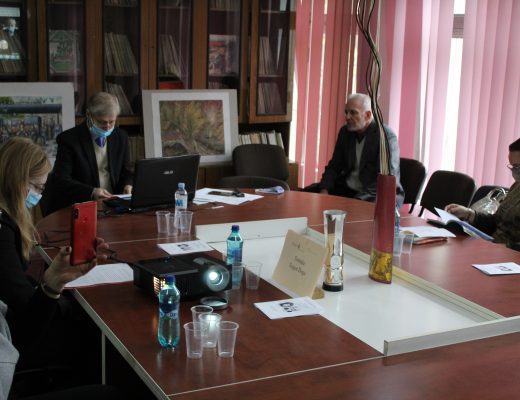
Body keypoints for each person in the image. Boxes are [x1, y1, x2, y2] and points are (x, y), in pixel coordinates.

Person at [0, 137, 109, 394]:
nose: (38, 196)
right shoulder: (2, 230)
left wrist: (50, 286)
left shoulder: (7, 221)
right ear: (18, 182)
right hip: (13, 338)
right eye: (37, 188)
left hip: (12, 328)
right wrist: (53, 289)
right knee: (89, 332)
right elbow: (24, 308)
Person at [46, 91, 133, 214]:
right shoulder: (69, 140)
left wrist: (127, 185)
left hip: (114, 205)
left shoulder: (121, 137)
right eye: (102, 122)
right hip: (83, 205)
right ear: (89, 115)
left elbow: (127, 171)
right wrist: (92, 192)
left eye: (112, 121)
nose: (108, 127)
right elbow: (61, 180)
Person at [310, 93, 404, 206]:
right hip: (348, 190)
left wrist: (356, 201)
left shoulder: (385, 137)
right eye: (346, 112)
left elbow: (385, 180)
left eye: (353, 112)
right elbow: (334, 166)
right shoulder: (345, 132)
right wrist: (324, 189)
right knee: (307, 194)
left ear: (368, 115)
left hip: (375, 195)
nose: (347, 117)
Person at [445, 138, 520, 249]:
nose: (514, 171)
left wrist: (501, 248)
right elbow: (496, 222)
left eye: (517, 166)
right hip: (494, 247)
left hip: (508, 253)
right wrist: (469, 214)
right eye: (512, 167)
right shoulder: (516, 186)